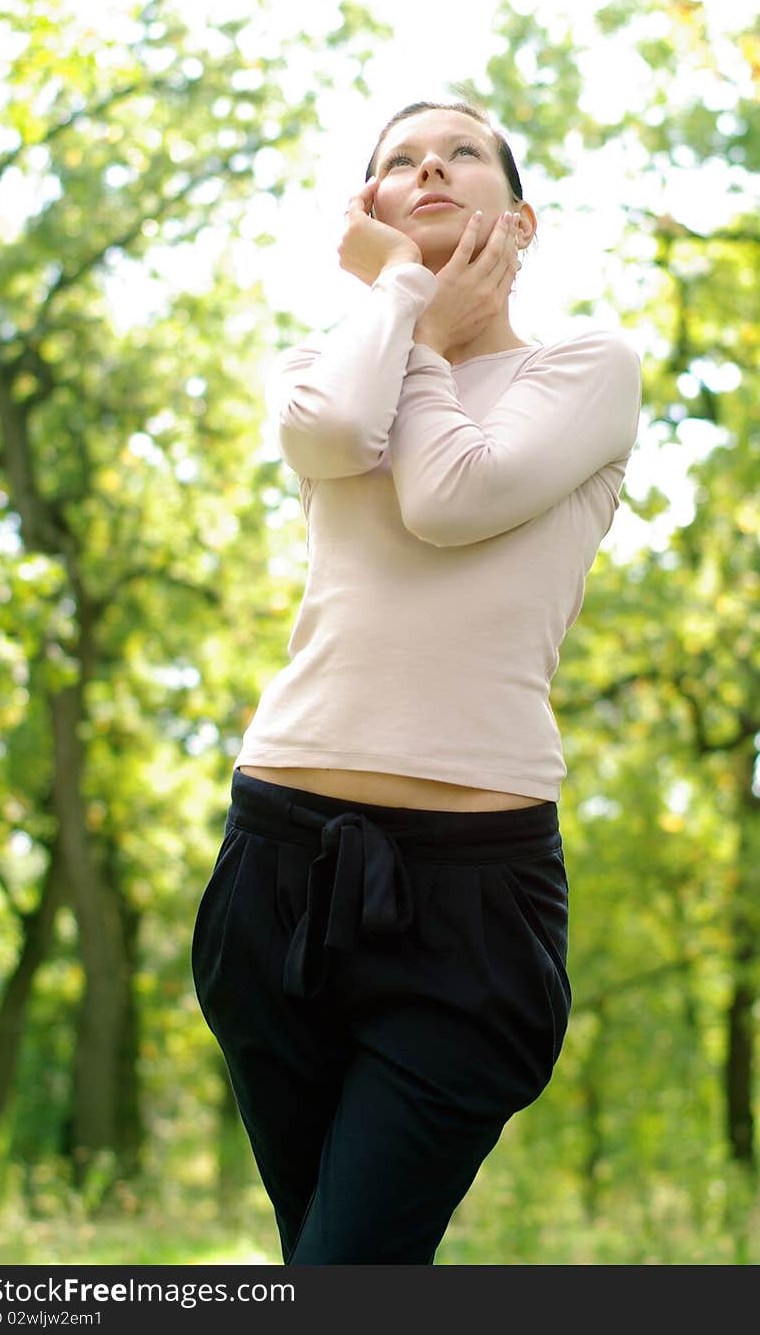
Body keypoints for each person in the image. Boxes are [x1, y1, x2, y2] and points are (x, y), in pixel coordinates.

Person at [190, 99, 642, 1264]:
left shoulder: (587, 368)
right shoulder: (321, 363)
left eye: (462, 152)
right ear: (369, 213)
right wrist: (399, 298)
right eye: (399, 160)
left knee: (351, 1269)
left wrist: (433, 342)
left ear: (520, 218)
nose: (429, 163)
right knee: (324, 1264)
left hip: (469, 899)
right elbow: (342, 430)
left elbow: (449, 498)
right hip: (277, 868)